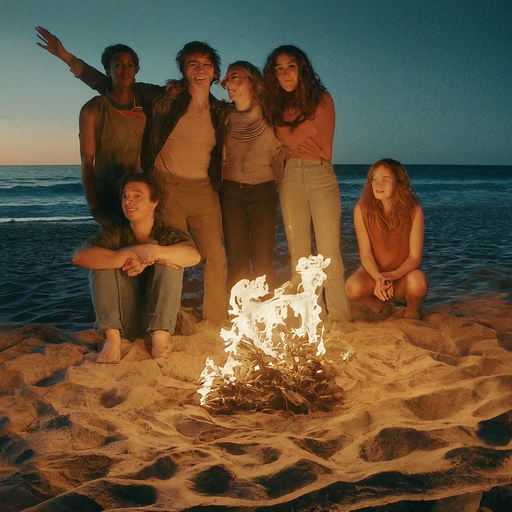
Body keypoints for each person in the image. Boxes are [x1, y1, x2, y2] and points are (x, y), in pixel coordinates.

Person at [36, 28, 228, 324]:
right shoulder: (137, 101)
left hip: (174, 189)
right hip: (140, 189)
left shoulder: (200, 106)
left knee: (189, 254)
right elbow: (109, 86)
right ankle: (149, 318)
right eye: (192, 64)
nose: (199, 70)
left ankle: (199, 321)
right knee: (144, 255)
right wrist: (66, 57)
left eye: (205, 65)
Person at [261, 45, 351, 324]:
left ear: (301, 69)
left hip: (320, 175)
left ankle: (339, 316)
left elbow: (325, 150)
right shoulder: (275, 106)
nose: (285, 73)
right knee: (298, 255)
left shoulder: (322, 100)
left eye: (291, 66)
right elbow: (297, 137)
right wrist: (303, 130)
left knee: (328, 253)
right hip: (290, 178)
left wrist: (287, 135)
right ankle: (310, 317)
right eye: (278, 68)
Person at [73, 173, 201, 363]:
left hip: (158, 318)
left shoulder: (167, 233)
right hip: (123, 319)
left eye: (137, 195)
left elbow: (193, 256)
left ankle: (160, 340)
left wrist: (152, 254)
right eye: (125, 196)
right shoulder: (116, 234)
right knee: (102, 262)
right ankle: (113, 340)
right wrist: (128, 253)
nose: (129, 201)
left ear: (154, 202)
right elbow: (80, 257)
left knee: (171, 262)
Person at [36, 27, 145, 228]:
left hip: (143, 195)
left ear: (137, 70)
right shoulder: (93, 109)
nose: (125, 70)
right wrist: (95, 208)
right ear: (108, 69)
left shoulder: (147, 102)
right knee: (117, 254)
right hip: (109, 193)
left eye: (130, 65)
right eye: (118, 65)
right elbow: (87, 161)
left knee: (144, 254)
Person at [219, 61, 283, 292]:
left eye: (235, 77)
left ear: (252, 81)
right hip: (231, 193)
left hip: (263, 192)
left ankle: (265, 313)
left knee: (262, 259)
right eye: (226, 80)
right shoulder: (223, 115)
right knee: (236, 259)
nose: (228, 84)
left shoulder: (272, 114)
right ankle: (238, 315)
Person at [345, 159, 428, 319]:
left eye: (385, 179)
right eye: (374, 179)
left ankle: (412, 310)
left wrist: (392, 276)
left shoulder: (413, 210)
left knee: (418, 283)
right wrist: (378, 278)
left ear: (399, 182)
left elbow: (414, 258)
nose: (378, 184)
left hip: (402, 276)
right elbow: (366, 253)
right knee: (352, 287)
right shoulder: (361, 209)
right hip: (374, 277)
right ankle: (379, 306)